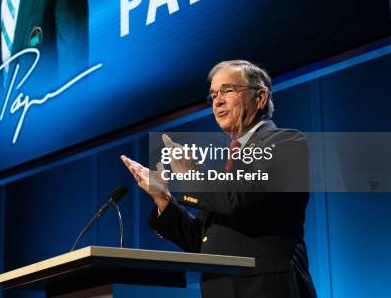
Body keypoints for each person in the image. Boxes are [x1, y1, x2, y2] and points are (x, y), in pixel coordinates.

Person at [121, 60, 317, 297]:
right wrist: (163, 200)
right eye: (213, 94)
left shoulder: (285, 142)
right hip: (219, 288)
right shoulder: (223, 167)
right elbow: (204, 241)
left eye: (228, 90)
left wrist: (191, 175)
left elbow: (240, 198)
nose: (218, 101)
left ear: (261, 98)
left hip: (266, 287)